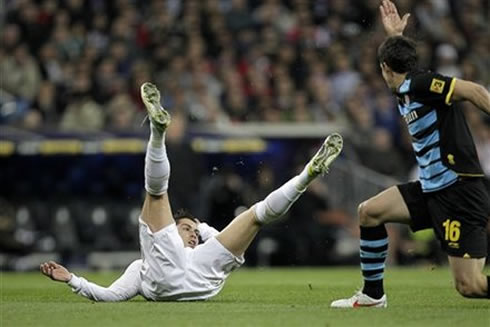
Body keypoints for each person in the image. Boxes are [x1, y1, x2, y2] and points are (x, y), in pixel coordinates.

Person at [40, 82, 344, 302]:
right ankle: (158, 133)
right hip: (178, 275)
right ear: (172, 229)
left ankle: (307, 175)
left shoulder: (199, 248)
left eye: (192, 231)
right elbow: (111, 295)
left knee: (258, 213)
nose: (192, 234)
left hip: (201, 273)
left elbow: (211, 237)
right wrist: (73, 280)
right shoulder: (142, 265)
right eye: (184, 228)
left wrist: (201, 228)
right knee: (159, 195)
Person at [331, 0, 490, 308]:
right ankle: (372, 296)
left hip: (459, 192)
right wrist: (394, 36)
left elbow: (474, 91)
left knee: (470, 286)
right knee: (369, 211)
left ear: (384, 69)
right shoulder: (408, 83)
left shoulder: (419, 83)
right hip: (430, 189)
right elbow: (403, 59)